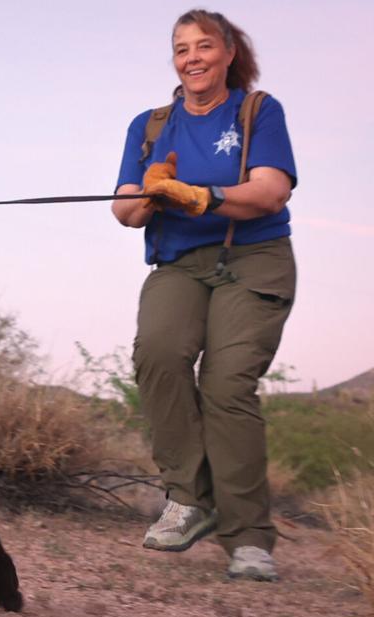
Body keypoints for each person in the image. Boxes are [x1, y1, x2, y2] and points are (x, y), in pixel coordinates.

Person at [112, 9, 297, 581]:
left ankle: (248, 539)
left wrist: (200, 196)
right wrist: (152, 194)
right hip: (178, 263)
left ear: (228, 53)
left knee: (225, 385)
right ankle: (189, 500)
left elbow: (271, 191)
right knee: (159, 354)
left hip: (252, 257)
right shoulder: (149, 125)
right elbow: (123, 209)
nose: (192, 57)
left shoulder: (257, 111)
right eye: (181, 48)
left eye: (203, 46)